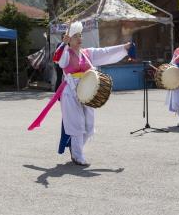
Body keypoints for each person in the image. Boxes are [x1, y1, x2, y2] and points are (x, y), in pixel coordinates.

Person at [28, 21, 131, 166]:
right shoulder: (66, 53)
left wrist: (123, 48)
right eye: (76, 36)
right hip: (70, 91)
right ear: (69, 39)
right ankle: (77, 155)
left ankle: (75, 148)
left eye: (80, 35)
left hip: (87, 91)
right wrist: (64, 45)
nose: (79, 38)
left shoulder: (87, 53)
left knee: (89, 126)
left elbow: (105, 52)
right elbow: (60, 62)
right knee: (77, 124)